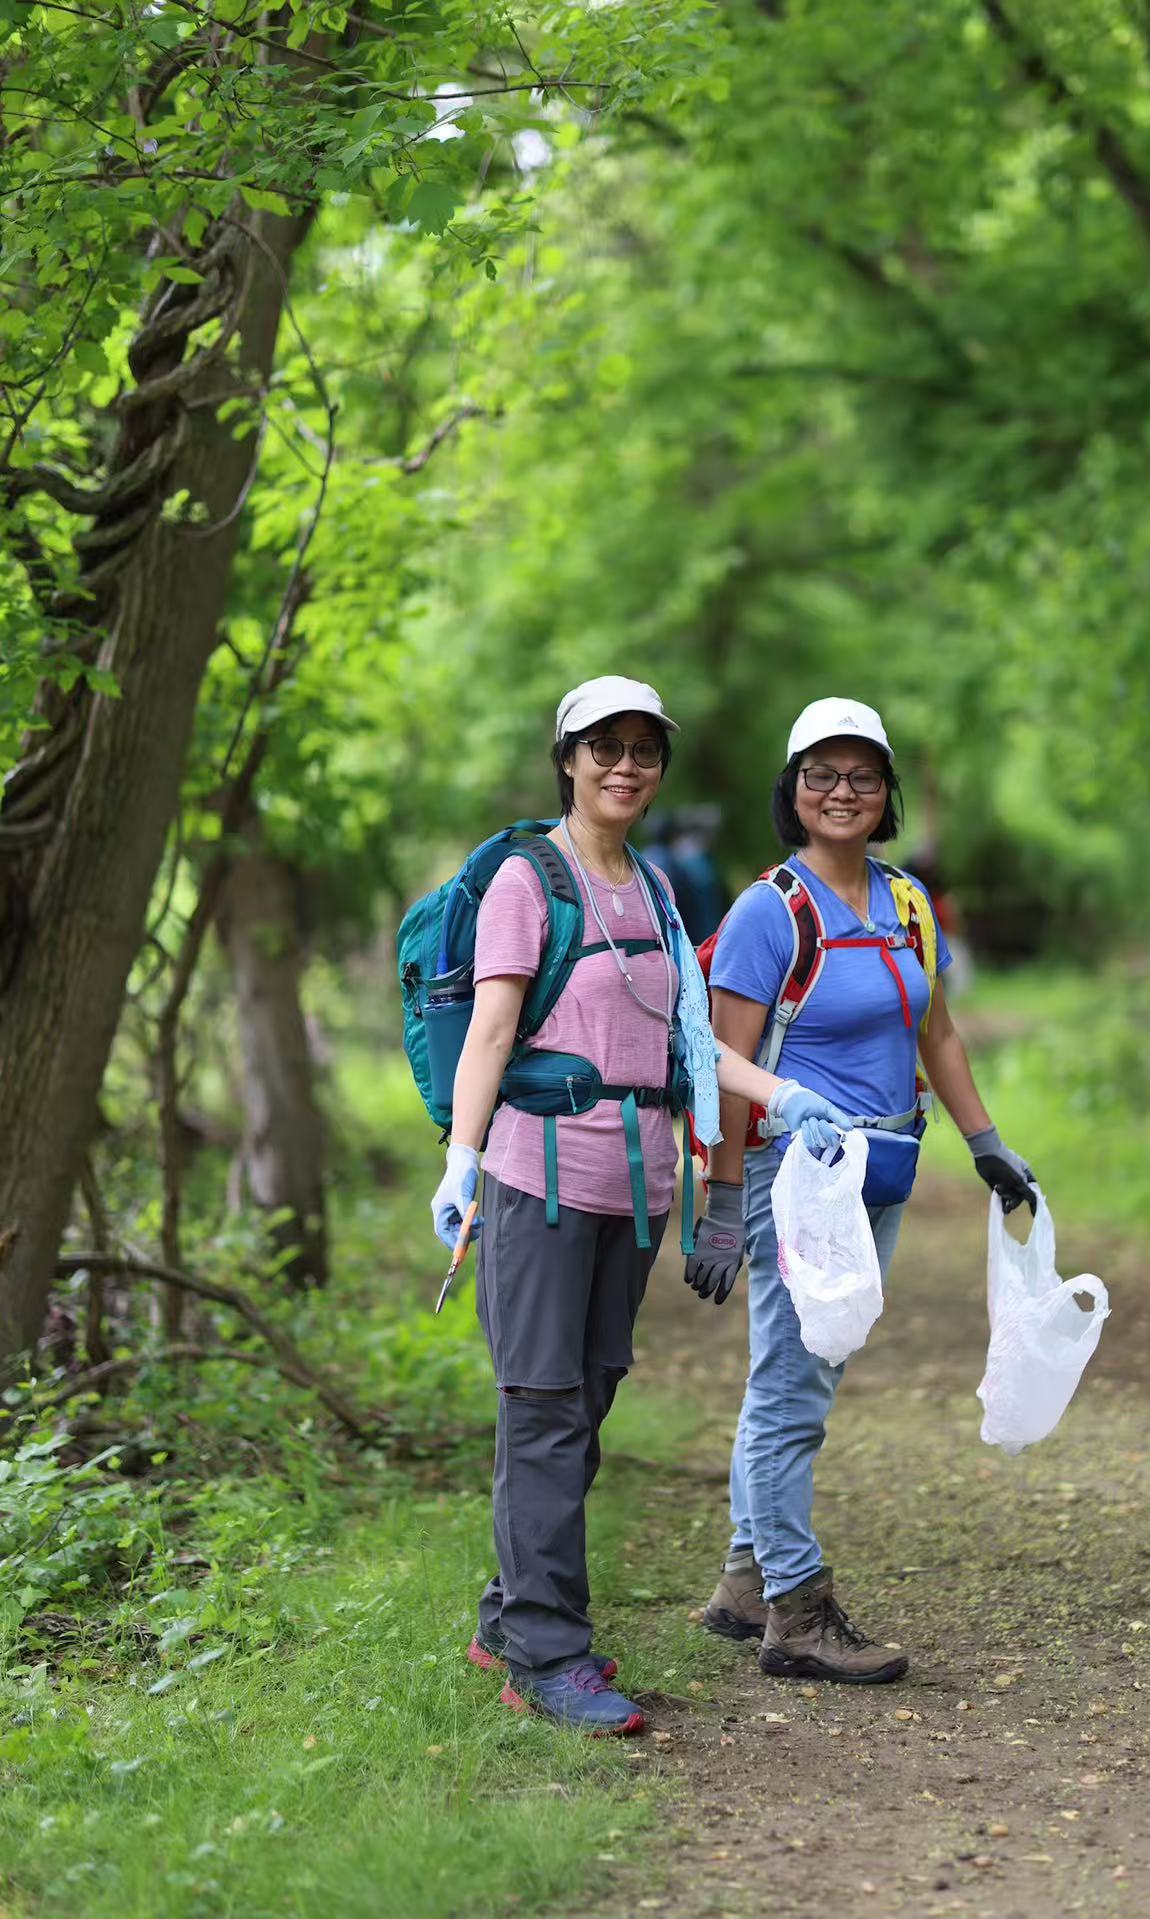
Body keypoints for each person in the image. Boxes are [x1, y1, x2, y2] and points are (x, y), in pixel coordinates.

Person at [428, 676, 856, 1736]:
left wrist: (782, 1095)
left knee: (584, 1404)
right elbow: (491, 1032)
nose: (625, 766)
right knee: (542, 1409)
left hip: (633, 1191)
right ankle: (546, 1653)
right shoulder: (530, 879)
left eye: (644, 750)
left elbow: (692, 1046)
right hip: (537, 1182)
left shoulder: (656, 888)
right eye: (604, 747)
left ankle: (508, 1613)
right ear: (567, 758)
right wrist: (461, 1160)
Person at [685, 697, 1036, 1686]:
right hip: (792, 1179)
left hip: (881, 1168)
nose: (841, 791)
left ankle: (743, 1581)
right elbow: (719, 1061)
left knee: (806, 1372)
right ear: (791, 789)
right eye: (821, 774)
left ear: (885, 792)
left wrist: (986, 1142)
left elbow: (936, 1032)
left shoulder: (907, 903)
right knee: (790, 1386)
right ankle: (796, 1611)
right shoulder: (768, 911)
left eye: (862, 775)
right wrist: (721, 1198)